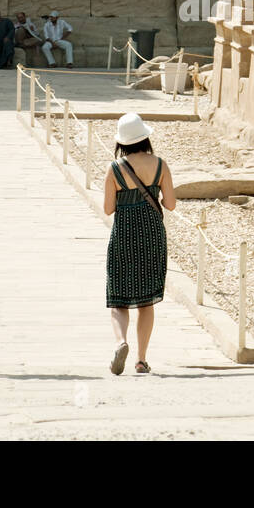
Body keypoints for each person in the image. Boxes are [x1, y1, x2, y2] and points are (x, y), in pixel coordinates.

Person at [103, 113, 173, 375]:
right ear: (145, 137)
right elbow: (171, 204)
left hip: (124, 235)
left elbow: (108, 208)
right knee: (146, 302)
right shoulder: (160, 165)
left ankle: (121, 342)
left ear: (122, 142)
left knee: (118, 299)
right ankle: (141, 360)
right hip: (152, 235)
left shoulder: (115, 168)